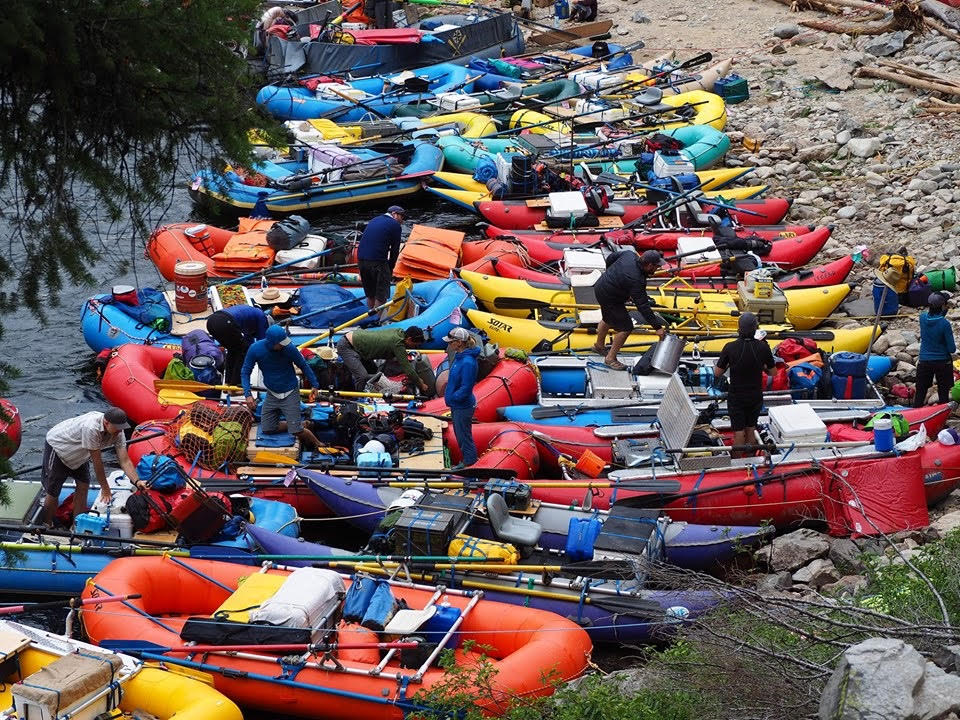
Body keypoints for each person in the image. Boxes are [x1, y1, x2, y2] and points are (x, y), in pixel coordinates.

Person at [41, 407, 144, 526]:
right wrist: (105, 489)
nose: (120, 431)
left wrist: (137, 481)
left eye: (122, 428)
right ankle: (46, 525)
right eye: (117, 428)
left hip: (81, 452)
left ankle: (77, 524)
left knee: (84, 484)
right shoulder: (91, 427)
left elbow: (124, 460)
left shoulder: (118, 432)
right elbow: (97, 462)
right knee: (53, 490)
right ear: (106, 423)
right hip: (60, 448)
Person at [241, 324, 322, 449]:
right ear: (272, 342)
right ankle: (302, 423)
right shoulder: (255, 349)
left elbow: (303, 365)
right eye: (281, 343)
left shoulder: (289, 348)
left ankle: (318, 443)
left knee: (296, 431)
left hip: (290, 392)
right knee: (268, 428)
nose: (284, 344)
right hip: (272, 394)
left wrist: (315, 384)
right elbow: (245, 372)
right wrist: (248, 394)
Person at [592, 249, 666, 370]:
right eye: (656, 267)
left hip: (601, 286)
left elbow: (611, 257)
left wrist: (610, 274)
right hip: (611, 297)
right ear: (649, 265)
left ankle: (599, 346)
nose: (657, 269)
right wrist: (657, 327)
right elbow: (642, 306)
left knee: (608, 317)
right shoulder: (636, 280)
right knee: (626, 327)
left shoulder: (629, 254)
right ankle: (610, 358)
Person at [714, 313, 775, 455]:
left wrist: (729, 364)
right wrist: (762, 366)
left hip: (737, 396)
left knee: (739, 433)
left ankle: (738, 464)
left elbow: (717, 373)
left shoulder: (730, 347)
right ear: (755, 329)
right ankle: (751, 460)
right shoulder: (763, 347)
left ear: (739, 328)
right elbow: (773, 373)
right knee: (750, 429)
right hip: (755, 395)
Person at [336, 326, 429, 394]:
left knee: (374, 374)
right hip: (348, 346)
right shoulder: (398, 344)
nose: (415, 347)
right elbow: (407, 368)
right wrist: (421, 384)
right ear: (409, 339)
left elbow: (402, 363)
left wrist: (412, 378)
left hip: (360, 345)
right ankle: (359, 399)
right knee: (362, 376)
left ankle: (366, 391)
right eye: (415, 345)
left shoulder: (399, 332)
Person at [206, 305, 270, 386]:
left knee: (233, 350)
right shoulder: (261, 317)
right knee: (244, 352)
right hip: (225, 323)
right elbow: (262, 343)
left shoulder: (250, 316)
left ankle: (228, 383)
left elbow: (248, 340)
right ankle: (238, 385)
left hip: (212, 322)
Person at [444, 327, 480, 468]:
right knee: (461, 435)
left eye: (451, 342)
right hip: (457, 404)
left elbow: (466, 387)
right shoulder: (461, 358)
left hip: (462, 405)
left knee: (464, 436)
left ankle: (470, 462)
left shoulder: (467, 362)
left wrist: (453, 398)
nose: (448, 344)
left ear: (459, 343)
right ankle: (468, 460)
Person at [357, 206, 405, 309]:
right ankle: (378, 321)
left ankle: (370, 318)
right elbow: (394, 250)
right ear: (394, 214)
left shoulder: (375, 220)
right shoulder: (395, 225)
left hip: (361, 260)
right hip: (377, 262)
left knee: (370, 294)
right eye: (402, 216)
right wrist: (390, 268)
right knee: (381, 295)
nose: (403, 220)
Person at [915, 292, 956, 406]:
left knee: (920, 392)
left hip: (924, 361)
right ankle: (942, 414)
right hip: (942, 362)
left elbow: (932, 320)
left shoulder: (922, 318)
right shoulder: (944, 324)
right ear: (943, 306)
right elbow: (952, 349)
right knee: (943, 392)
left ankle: (915, 414)